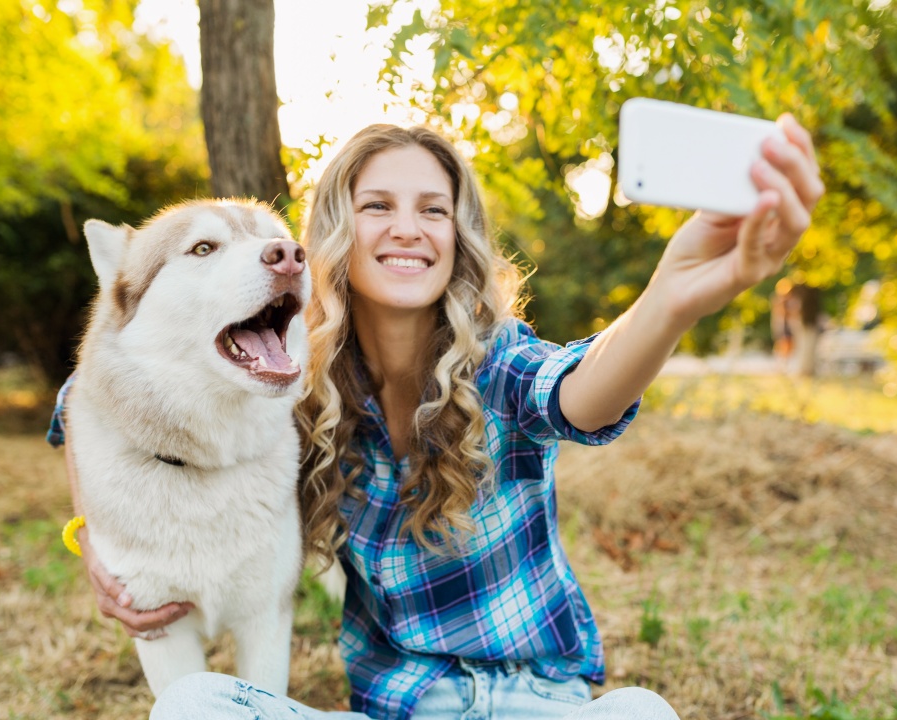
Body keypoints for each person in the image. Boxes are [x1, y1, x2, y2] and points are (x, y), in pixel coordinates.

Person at [49, 117, 824, 720]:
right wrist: (96, 542)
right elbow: (88, 397)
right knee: (189, 706)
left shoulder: (496, 363)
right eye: (377, 206)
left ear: (458, 237)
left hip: (541, 705)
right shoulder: (298, 382)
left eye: (434, 209)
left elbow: (583, 390)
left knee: (643, 712)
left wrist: (672, 297)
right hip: (399, 707)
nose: (409, 227)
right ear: (336, 238)